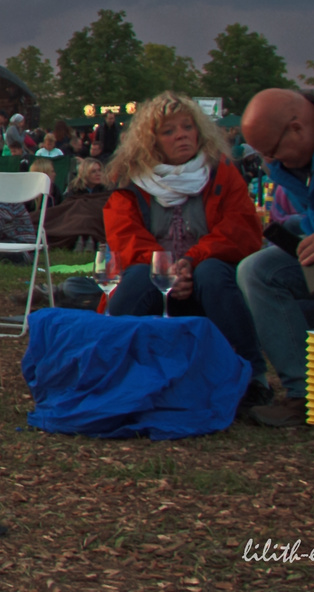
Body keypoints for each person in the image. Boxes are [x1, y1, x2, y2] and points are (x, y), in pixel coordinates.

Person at [102, 91, 268, 407]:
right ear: (152, 141)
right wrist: (167, 269)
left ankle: (253, 378)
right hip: (155, 278)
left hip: (206, 280)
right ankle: (109, 374)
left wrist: (191, 261)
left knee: (213, 271)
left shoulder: (222, 172)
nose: (181, 135)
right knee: (137, 277)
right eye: (169, 131)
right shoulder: (129, 182)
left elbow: (242, 229)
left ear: (199, 131)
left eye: (187, 127)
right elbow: (125, 238)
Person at [237, 88, 314, 427]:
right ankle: (303, 396)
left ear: (296, 128)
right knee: (258, 270)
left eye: (273, 152)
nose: (272, 162)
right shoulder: (289, 161)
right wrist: (309, 237)